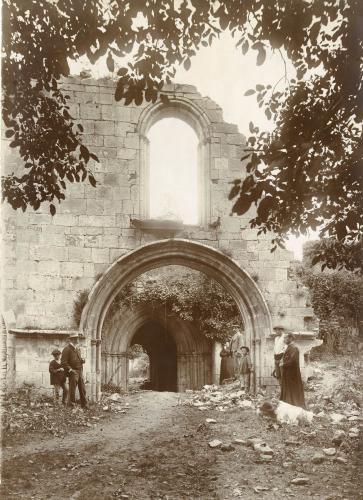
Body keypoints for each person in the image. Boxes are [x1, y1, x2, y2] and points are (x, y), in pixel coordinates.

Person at [61, 333, 88, 409]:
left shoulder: (77, 349)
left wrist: (82, 360)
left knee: (82, 389)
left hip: (80, 371)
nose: (77, 340)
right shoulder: (67, 349)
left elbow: (77, 359)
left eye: (78, 338)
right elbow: (63, 363)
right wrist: (70, 370)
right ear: (71, 339)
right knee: (72, 389)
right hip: (73, 372)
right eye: (75, 338)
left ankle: (84, 405)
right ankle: (71, 405)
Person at [280, 332, 306, 409]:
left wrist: (283, 364)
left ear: (291, 338)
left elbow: (292, 361)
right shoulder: (288, 347)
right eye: (284, 338)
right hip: (287, 372)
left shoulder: (294, 348)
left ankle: (293, 404)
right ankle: (287, 403)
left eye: (286, 338)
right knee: (287, 387)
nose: (284, 339)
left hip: (292, 374)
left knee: (292, 388)